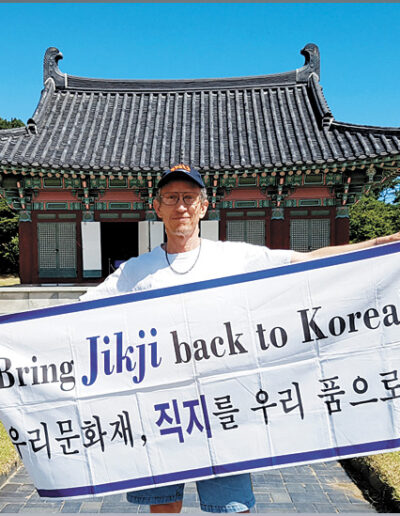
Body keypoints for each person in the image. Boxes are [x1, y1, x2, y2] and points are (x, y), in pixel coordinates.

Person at [80, 163, 400, 513]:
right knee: (163, 507)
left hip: (220, 406)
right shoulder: (135, 271)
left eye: (189, 197)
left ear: (204, 206)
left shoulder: (232, 257)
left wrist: (377, 244)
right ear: (157, 207)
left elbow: (303, 261)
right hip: (164, 407)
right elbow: (75, 315)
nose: (181, 206)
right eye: (171, 197)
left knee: (232, 507)